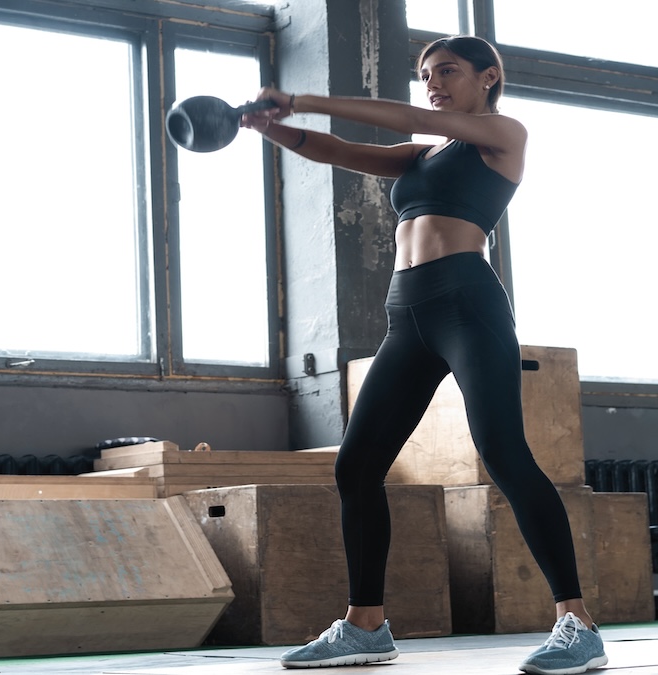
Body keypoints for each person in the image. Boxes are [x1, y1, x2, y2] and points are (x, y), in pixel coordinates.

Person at [240, 35, 608, 675]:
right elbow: (339, 150)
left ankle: (577, 624)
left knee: (503, 452)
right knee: (356, 465)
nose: (432, 82)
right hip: (406, 316)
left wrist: (298, 97)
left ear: (488, 76)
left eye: (446, 72)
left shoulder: (501, 134)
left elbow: (412, 118)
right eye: (425, 74)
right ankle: (366, 626)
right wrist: (271, 128)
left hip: (467, 304)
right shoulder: (425, 154)